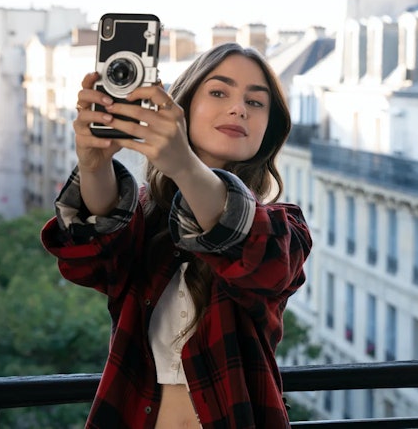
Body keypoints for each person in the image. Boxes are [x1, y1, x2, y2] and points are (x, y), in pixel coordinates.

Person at [40, 42, 312, 429]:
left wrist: (183, 164)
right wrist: (94, 164)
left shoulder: (283, 227)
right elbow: (88, 256)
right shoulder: (144, 220)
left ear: (269, 130)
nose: (238, 108)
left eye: (256, 103)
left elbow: (258, 256)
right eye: (219, 92)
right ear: (183, 106)